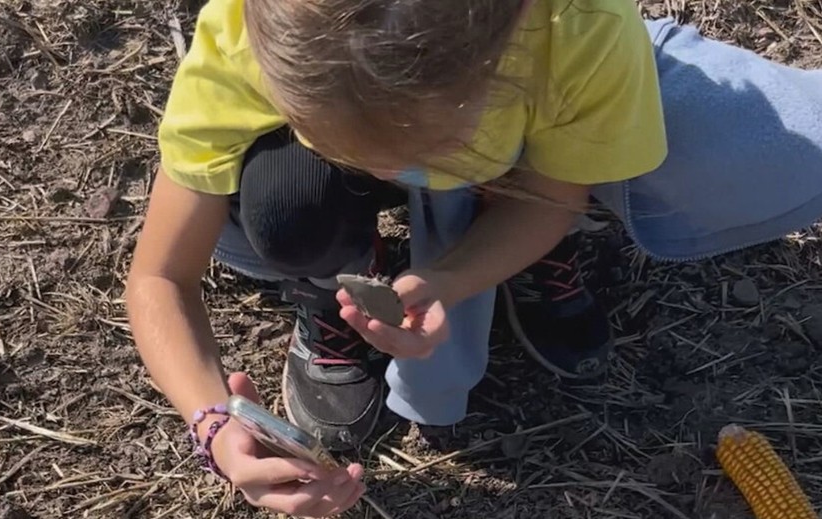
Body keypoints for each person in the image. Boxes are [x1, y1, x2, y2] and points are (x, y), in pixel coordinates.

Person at [125, 0, 822, 516]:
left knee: (705, 152)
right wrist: (211, 421)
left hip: (533, 125)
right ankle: (334, 276)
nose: (395, 172)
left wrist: (449, 276)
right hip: (430, 126)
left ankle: (498, 216)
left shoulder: (573, 31)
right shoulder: (247, 34)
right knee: (282, 206)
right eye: (352, 149)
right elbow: (158, 275)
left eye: (428, 150)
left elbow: (552, 193)